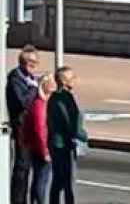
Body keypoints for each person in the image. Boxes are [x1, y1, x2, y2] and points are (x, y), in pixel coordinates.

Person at [45, 67, 86, 204]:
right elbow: (69, 122)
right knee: (66, 181)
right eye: (72, 77)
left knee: (60, 180)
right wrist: (83, 136)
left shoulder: (58, 97)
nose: (75, 80)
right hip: (62, 144)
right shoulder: (63, 98)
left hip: (60, 143)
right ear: (64, 81)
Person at [6, 47, 40, 204]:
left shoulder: (28, 78)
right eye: (31, 62)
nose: (34, 65)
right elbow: (22, 102)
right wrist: (34, 89)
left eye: (36, 62)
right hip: (21, 127)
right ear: (23, 62)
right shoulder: (16, 80)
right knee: (22, 166)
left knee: (28, 167)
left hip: (30, 127)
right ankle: (17, 200)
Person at [22, 75, 54, 204]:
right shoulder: (40, 105)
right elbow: (40, 129)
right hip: (40, 147)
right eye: (51, 83)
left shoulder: (40, 102)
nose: (54, 85)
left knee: (39, 177)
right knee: (42, 178)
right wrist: (45, 150)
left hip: (36, 146)